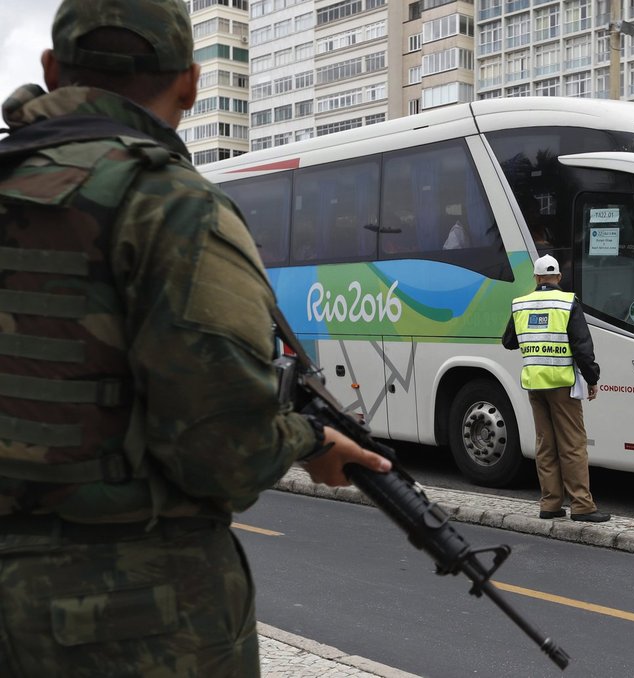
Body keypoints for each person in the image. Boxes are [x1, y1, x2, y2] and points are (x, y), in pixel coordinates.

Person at [0, 1, 390, 675]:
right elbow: (224, 451)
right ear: (190, 83)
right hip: (129, 624)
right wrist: (310, 442)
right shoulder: (174, 207)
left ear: (54, 69)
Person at [502, 255, 610, 523]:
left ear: (537, 278)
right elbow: (582, 346)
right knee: (572, 444)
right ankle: (582, 506)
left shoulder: (521, 304)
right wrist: (592, 378)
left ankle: (550, 504)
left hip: (534, 384)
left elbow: (508, 342)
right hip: (562, 384)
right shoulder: (567, 302)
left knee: (545, 444)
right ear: (559, 277)